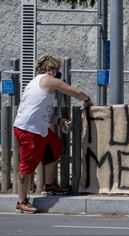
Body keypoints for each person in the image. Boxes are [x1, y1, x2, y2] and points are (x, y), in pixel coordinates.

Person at [13, 54, 93, 214]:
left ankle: (49, 185)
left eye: (56, 69)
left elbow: (43, 112)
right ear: (45, 69)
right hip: (29, 130)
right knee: (27, 166)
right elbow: (75, 92)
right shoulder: (48, 80)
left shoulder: (37, 83)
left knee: (54, 144)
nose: (54, 71)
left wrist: (59, 120)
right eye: (52, 68)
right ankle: (21, 202)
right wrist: (87, 100)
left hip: (38, 128)